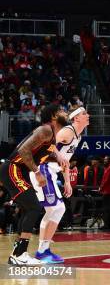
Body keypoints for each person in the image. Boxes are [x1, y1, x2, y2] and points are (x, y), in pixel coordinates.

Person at [0, 104, 68, 264]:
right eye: (61, 111)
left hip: (19, 171)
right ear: (53, 117)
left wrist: (57, 156)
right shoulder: (45, 130)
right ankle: (19, 255)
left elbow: (44, 149)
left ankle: (17, 254)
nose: (65, 113)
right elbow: (24, 150)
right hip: (13, 168)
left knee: (27, 209)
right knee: (34, 207)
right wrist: (37, 172)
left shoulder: (51, 135)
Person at [29, 107, 89, 263]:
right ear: (76, 118)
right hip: (43, 169)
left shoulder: (78, 137)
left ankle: (44, 248)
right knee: (57, 208)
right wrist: (57, 153)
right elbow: (47, 141)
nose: (88, 115)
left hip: (51, 171)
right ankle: (43, 250)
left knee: (53, 210)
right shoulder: (67, 131)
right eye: (84, 114)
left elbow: (65, 161)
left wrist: (68, 182)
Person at [99, 155, 110, 231]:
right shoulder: (107, 168)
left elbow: (106, 180)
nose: (104, 161)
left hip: (108, 191)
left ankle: (109, 224)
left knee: (108, 209)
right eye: (104, 159)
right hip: (107, 191)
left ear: (109, 161)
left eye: (106, 160)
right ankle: (107, 224)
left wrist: (101, 188)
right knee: (107, 208)